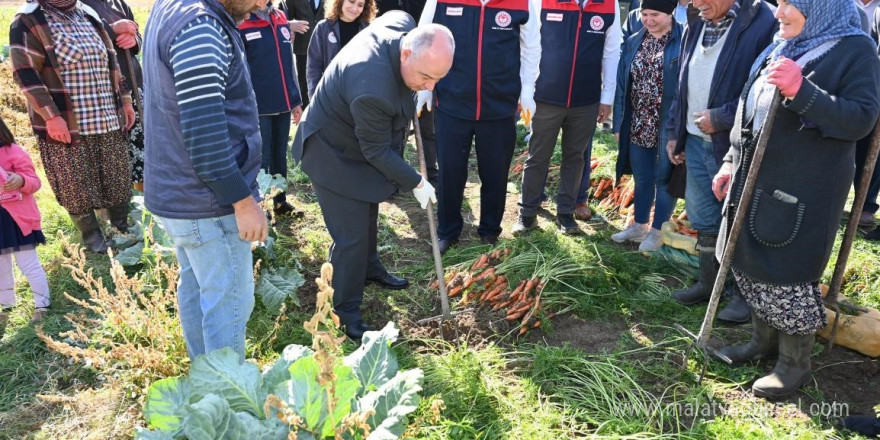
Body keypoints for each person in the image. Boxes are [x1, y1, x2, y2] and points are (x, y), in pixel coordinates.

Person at [712, 0, 880, 400]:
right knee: (749, 260)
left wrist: (802, 91)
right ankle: (762, 343)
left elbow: (861, 119)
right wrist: (730, 161)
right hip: (754, 180)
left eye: (791, 4)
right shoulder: (781, 44)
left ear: (820, 9)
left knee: (787, 272)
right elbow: (748, 108)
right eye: (780, 2)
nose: (779, 11)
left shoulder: (854, 50)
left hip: (805, 187)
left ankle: (793, 365)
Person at [292, 12, 452, 340]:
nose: (431, 86)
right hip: (330, 151)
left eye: (437, 79)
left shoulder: (403, 28)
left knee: (369, 205)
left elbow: (397, 14)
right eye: (426, 77)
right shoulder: (372, 88)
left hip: (356, 138)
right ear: (406, 54)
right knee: (350, 237)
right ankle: (344, 310)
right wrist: (417, 181)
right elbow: (377, 153)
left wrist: (420, 86)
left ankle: (370, 267)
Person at [143, 0, 269, 361]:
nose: (261, 5)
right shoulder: (201, 28)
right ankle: (226, 402)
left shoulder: (173, 6)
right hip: (208, 202)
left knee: (198, 287)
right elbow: (204, 132)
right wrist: (242, 202)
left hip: (178, 190)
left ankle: (206, 380)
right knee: (228, 302)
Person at [664, 0, 776, 324]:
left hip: (731, 143)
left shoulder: (762, 19)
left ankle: (742, 298)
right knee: (705, 218)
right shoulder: (696, 17)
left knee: (739, 218)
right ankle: (709, 284)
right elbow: (684, 78)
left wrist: (723, 117)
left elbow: (761, 86)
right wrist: (676, 130)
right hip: (696, 141)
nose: (695, 3)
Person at [10, 0, 136, 254]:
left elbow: (112, 65)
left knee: (117, 175)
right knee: (74, 184)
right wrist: (51, 117)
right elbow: (26, 75)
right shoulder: (29, 20)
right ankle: (93, 238)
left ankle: (121, 228)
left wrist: (125, 102)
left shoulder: (87, 13)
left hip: (106, 117)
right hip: (68, 123)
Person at [418, 0, 541, 253]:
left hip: (499, 106)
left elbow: (531, 49)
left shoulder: (525, 3)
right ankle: (448, 231)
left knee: (495, 175)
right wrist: (425, 84)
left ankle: (489, 231)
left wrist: (527, 91)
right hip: (452, 103)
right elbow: (424, 37)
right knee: (451, 173)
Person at [512, 0, 620, 235]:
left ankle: (565, 213)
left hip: (586, 99)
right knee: (537, 156)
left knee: (575, 158)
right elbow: (528, 45)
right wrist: (527, 91)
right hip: (546, 96)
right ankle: (527, 213)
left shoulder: (610, 4)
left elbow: (611, 53)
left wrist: (607, 97)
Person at [610, 0, 682, 251]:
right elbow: (622, 86)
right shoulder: (634, 41)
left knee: (664, 178)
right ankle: (639, 225)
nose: (648, 20)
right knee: (642, 177)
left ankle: (657, 230)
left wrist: (680, 130)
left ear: (670, 13)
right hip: (638, 120)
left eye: (655, 15)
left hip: (666, 122)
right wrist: (619, 122)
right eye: (644, 14)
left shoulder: (684, 40)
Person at [238, 2, 304, 217]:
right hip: (260, 105)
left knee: (279, 155)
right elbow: (241, 68)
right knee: (262, 157)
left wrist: (295, 99)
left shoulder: (280, 16)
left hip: (284, 102)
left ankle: (280, 202)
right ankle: (262, 206)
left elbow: (288, 62)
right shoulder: (243, 20)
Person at [80, 0, 145, 191]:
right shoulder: (76, 5)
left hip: (133, 87)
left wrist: (134, 41)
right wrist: (111, 29)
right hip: (103, 93)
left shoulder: (119, 3)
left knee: (140, 151)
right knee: (112, 155)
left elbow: (137, 35)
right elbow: (81, 40)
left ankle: (143, 207)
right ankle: (114, 211)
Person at [0, 117, 51, 326]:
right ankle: (7, 305)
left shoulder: (12, 151)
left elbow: (35, 181)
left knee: (28, 263)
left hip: (17, 219)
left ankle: (42, 304)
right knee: (1, 267)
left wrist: (20, 180)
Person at [306, 0, 375, 99]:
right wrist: (314, 98)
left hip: (360, 97)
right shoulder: (323, 27)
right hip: (331, 96)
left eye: (360, 5)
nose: (355, 9)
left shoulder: (369, 30)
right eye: (351, 2)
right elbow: (313, 67)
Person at [283, 0, 325, 108]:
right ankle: (306, 114)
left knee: (326, 81)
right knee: (305, 84)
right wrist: (290, 26)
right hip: (303, 48)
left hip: (326, 46)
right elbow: (284, 16)